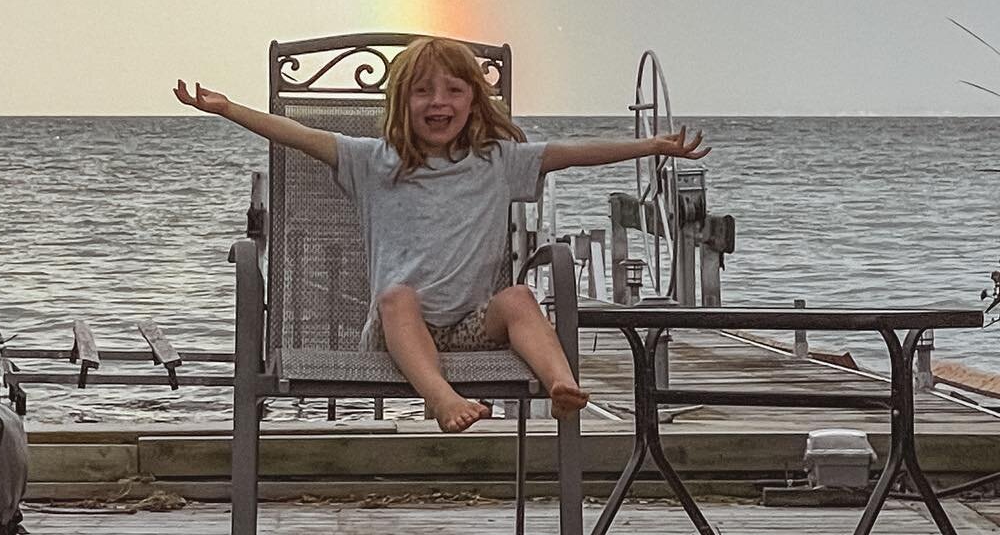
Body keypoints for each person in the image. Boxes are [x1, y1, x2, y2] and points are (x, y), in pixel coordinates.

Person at [175, 35, 708, 432]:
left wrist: (651, 147)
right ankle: (442, 397)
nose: (439, 102)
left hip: (471, 326)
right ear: (400, 104)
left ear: (474, 101)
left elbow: (570, 154)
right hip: (397, 332)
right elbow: (300, 135)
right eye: (423, 92)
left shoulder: (498, 161)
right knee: (396, 297)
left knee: (520, 297)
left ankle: (561, 383)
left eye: (454, 91)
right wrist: (228, 109)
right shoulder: (372, 161)